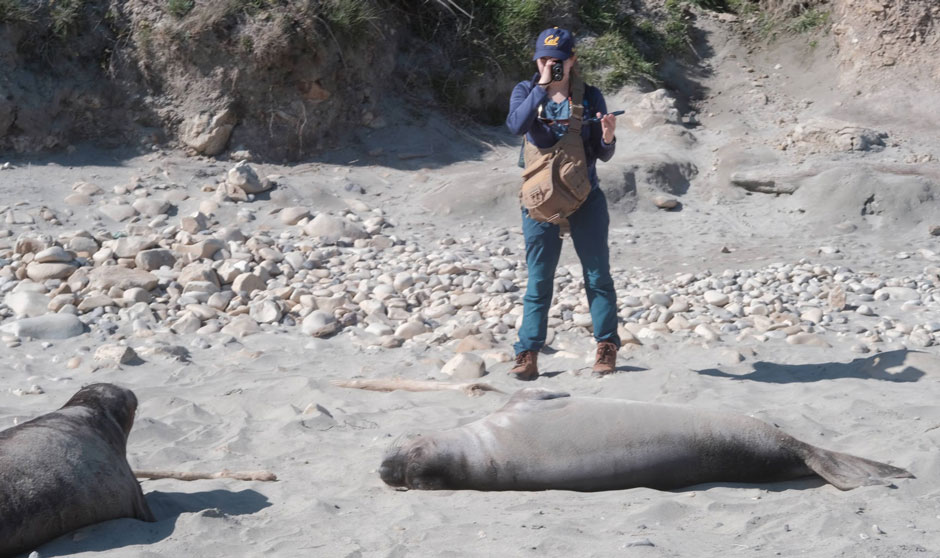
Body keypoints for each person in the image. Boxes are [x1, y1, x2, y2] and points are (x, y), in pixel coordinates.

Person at [505, 26, 621, 380]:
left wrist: (608, 137)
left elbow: (601, 154)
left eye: (557, 60)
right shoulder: (526, 91)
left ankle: (606, 347)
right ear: (535, 59)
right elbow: (515, 125)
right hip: (539, 201)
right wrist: (542, 86)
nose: (550, 64)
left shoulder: (590, 96)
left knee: (598, 276)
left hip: (586, 197)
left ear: (572, 60)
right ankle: (527, 353)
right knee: (539, 281)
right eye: (543, 58)